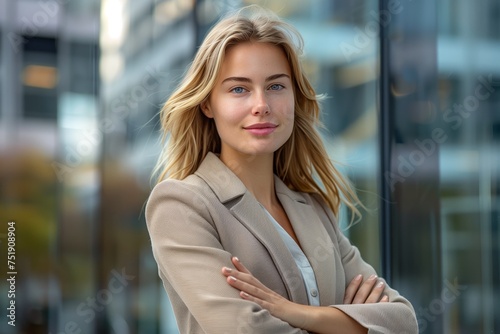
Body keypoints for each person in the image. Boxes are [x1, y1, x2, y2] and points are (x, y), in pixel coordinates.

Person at [146, 6, 418, 334]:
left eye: (276, 86)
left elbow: (403, 321)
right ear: (207, 104)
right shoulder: (181, 205)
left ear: (293, 96)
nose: (261, 104)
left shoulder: (314, 209)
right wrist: (349, 323)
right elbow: (244, 329)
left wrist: (298, 313)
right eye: (238, 89)